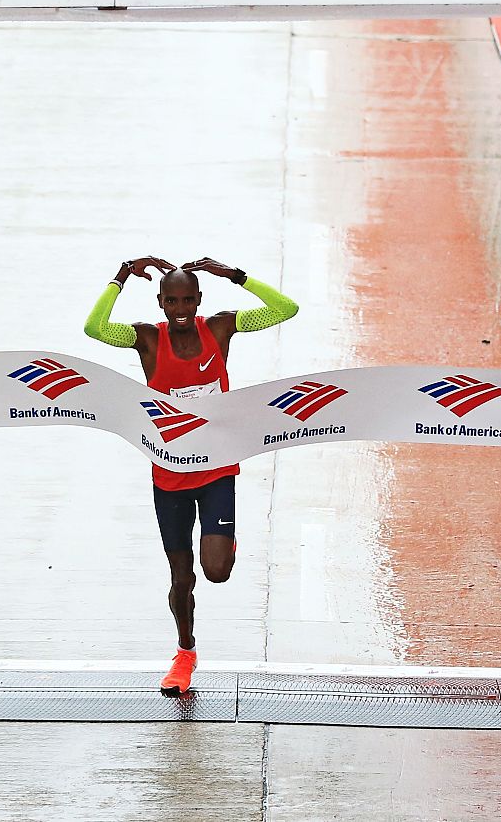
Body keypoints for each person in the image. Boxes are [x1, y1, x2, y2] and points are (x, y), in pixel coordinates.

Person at [84, 256, 297, 696]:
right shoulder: (145, 339)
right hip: (170, 475)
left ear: (199, 300)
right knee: (182, 578)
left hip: (217, 467)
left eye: (187, 300)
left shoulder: (218, 329)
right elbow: (95, 328)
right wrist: (121, 277)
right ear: (160, 303)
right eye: (171, 300)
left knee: (216, 571)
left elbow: (285, 310)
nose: (180, 308)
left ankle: (226, 541)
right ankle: (185, 653)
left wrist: (236, 275)